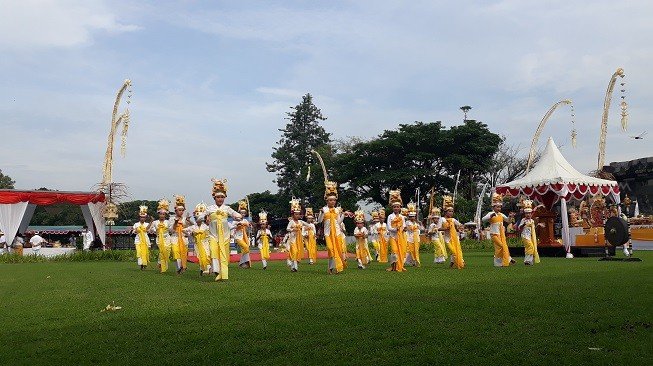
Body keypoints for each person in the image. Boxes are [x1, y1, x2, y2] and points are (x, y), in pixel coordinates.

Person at [207, 178, 242, 282]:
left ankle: (223, 274)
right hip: (213, 235)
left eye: (222, 197)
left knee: (224, 255)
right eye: (218, 197)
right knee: (213, 251)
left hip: (225, 236)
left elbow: (237, 214)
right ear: (214, 197)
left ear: (225, 197)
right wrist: (201, 216)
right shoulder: (210, 208)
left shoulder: (227, 208)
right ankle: (217, 270)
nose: (220, 199)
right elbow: (201, 216)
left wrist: (237, 217)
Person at [316, 181, 348, 274]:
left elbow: (338, 222)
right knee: (330, 249)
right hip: (328, 233)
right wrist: (321, 213)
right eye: (330, 200)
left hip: (337, 233)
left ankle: (336, 268)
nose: (332, 202)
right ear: (327, 200)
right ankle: (332, 267)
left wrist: (343, 215)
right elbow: (319, 221)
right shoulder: (324, 209)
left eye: (334, 200)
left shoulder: (337, 210)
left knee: (338, 250)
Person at [482, 192, 513, 267]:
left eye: (500, 207)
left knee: (499, 248)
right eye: (497, 207)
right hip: (494, 234)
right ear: (493, 207)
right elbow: (483, 219)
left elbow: (508, 221)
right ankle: (508, 258)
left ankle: (498, 263)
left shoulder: (501, 215)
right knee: (501, 246)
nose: (499, 208)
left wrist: (510, 216)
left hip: (501, 234)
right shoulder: (490, 213)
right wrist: (490, 216)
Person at [439, 196, 464, 269]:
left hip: (455, 237)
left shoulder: (453, 220)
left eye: (452, 211)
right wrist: (445, 228)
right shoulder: (442, 219)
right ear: (445, 212)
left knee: (457, 249)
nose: (451, 213)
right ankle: (457, 262)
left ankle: (455, 262)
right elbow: (438, 228)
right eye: (449, 211)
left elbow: (460, 225)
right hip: (447, 238)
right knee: (453, 251)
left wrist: (460, 228)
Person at [387, 189, 408, 272]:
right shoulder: (390, 216)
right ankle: (392, 267)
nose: (396, 208)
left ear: (400, 208)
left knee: (401, 252)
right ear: (392, 208)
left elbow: (404, 226)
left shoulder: (402, 217)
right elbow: (389, 228)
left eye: (398, 207)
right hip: (393, 236)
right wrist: (396, 229)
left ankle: (400, 266)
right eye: (394, 207)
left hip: (401, 237)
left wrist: (404, 229)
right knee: (394, 252)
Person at [169, 195, 191, 274]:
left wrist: (188, 222)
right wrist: (175, 223)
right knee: (175, 252)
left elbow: (189, 231)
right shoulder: (172, 219)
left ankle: (183, 266)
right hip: (175, 238)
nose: (181, 212)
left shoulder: (185, 219)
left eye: (182, 210)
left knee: (183, 254)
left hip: (183, 239)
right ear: (175, 211)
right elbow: (171, 230)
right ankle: (178, 268)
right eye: (179, 210)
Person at [287, 198, 310, 272]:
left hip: (299, 239)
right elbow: (287, 229)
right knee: (295, 251)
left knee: (298, 252)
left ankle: (292, 267)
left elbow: (308, 224)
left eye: (298, 214)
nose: (297, 215)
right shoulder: (291, 222)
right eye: (296, 214)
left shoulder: (300, 221)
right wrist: (292, 229)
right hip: (293, 239)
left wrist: (309, 226)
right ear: (292, 215)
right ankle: (295, 267)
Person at [188, 202, 211, 275]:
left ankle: (208, 268)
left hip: (207, 242)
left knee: (207, 255)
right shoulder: (194, 226)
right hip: (198, 244)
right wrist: (191, 233)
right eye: (195, 218)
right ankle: (203, 269)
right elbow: (188, 230)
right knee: (201, 256)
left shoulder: (207, 226)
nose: (196, 219)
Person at [149, 199, 171, 273]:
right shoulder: (155, 222)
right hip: (159, 239)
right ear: (158, 214)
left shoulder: (168, 222)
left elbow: (172, 230)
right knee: (162, 251)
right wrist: (154, 231)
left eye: (163, 214)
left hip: (167, 238)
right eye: (160, 214)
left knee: (167, 251)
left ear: (165, 215)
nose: (162, 215)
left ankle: (159, 262)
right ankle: (163, 268)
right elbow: (150, 230)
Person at [517, 199, 541, 265]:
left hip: (529, 236)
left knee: (530, 247)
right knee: (530, 246)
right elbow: (519, 228)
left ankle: (529, 261)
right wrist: (524, 224)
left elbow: (533, 229)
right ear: (525, 214)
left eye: (529, 213)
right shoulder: (523, 220)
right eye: (527, 213)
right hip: (524, 236)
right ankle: (527, 260)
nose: (528, 214)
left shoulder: (532, 221)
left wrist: (538, 224)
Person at [232, 200, 252, 269]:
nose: (242, 214)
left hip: (244, 237)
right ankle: (241, 262)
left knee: (246, 249)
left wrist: (249, 225)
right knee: (246, 248)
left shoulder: (245, 220)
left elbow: (249, 228)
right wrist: (238, 225)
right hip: (238, 237)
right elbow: (232, 228)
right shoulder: (235, 221)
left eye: (244, 213)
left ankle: (244, 263)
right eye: (241, 213)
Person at [131, 206, 151, 270]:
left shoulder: (147, 224)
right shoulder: (136, 224)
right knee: (139, 252)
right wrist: (136, 230)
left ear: (145, 218)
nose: (142, 218)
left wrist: (151, 222)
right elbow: (133, 231)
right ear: (139, 217)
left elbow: (148, 230)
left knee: (144, 252)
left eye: (144, 217)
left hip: (145, 240)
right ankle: (141, 264)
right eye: (141, 217)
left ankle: (144, 264)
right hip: (138, 240)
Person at [405, 201, 422, 267]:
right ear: (409, 217)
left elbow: (419, 229)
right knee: (411, 251)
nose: (412, 218)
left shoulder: (417, 223)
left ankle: (417, 261)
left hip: (416, 238)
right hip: (410, 238)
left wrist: (418, 225)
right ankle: (413, 261)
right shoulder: (407, 222)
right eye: (411, 216)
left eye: (413, 216)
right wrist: (416, 227)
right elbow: (410, 229)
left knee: (416, 250)